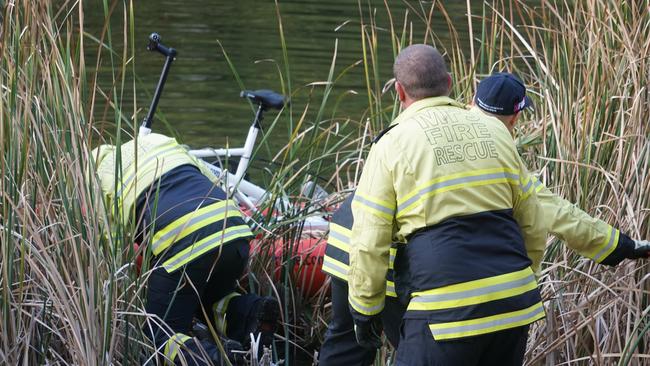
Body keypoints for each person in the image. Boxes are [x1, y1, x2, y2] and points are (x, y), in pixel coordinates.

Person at [91, 132, 279, 365]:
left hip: (185, 241)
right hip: (233, 228)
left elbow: (112, 247)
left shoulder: (97, 176)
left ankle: (216, 360)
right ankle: (252, 310)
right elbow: (214, 180)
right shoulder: (160, 142)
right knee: (213, 300)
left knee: (159, 335)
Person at [471, 72, 650, 266]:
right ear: (515, 118)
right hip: (493, 268)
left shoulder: (438, 128)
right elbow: (557, 214)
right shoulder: (504, 156)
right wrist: (621, 245)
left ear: (472, 102)